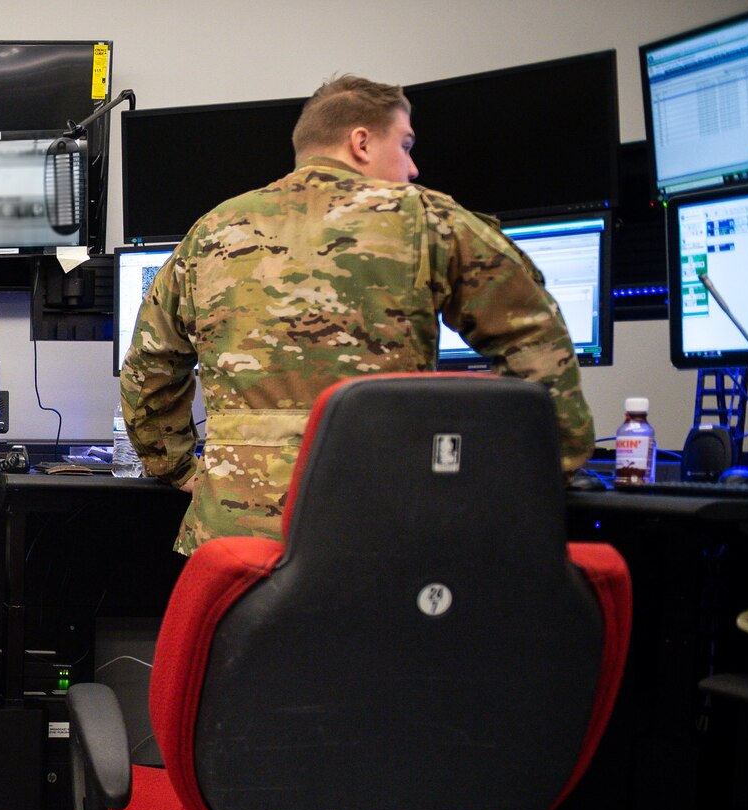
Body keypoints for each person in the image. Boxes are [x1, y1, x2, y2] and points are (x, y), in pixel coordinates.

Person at [121, 74, 596, 554]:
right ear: (362, 142)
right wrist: (544, 467)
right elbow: (535, 341)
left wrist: (175, 465)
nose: (412, 168)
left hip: (230, 548)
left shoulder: (212, 231)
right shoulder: (425, 218)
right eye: (406, 144)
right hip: (383, 532)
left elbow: (150, 368)